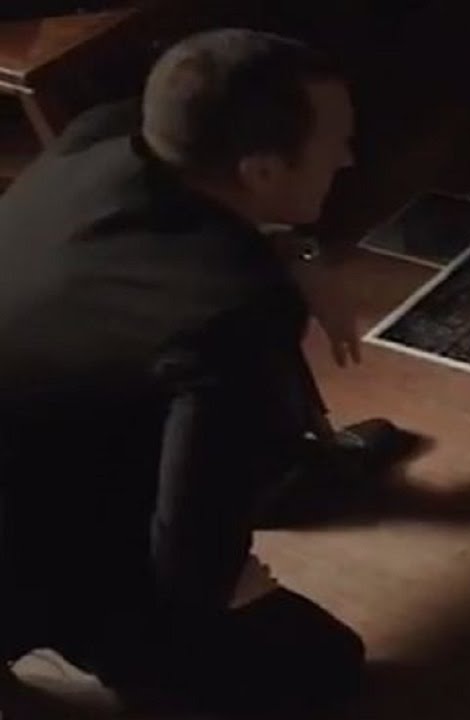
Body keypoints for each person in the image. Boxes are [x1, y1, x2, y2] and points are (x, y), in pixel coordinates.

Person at [0, 28, 418, 716]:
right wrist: (226, 580)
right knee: (323, 665)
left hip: (35, 441)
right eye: (336, 143)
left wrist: (299, 253)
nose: (348, 157)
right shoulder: (232, 311)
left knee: (219, 421)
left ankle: (279, 472)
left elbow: (233, 227)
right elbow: (189, 562)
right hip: (30, 552)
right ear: (261, 171)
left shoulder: (104, 134)